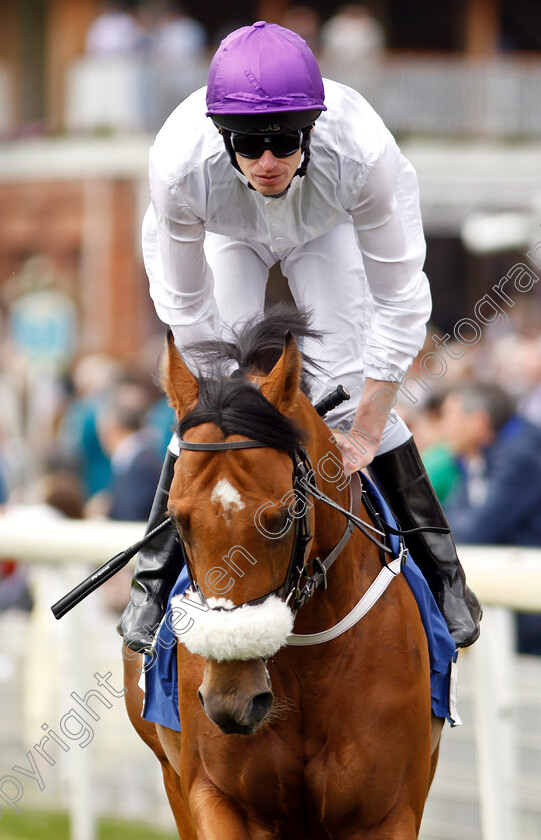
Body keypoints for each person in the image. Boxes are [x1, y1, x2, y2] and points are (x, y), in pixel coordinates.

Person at [118, 21, 481, 653]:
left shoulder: (363, 154)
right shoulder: (179, 166)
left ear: (312, 128)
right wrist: (220, 413)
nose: (266, 162)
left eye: (285, 142)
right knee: (214, 408)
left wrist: (366, 426)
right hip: (224, 232)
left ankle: (444, 572)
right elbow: (185, 305)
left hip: (330, 226)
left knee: (343, 371)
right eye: (249, 143)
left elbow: (400, 302)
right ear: (220, 136)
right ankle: (152, 582)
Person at [440, 381, 541, 655]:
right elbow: (447, 521)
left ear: (478, 422)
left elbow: (473, 530)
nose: (443, 428)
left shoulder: (523, 457)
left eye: (449, 416)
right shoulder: (483, 454)